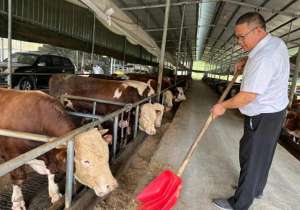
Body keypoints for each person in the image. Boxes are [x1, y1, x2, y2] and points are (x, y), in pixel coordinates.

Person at [210, 12, 289, 210]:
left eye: (241, 37)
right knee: (263, 155)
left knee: (251, 156)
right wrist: (247, 59)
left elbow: (247, 96)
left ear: (259, 30)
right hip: (275, 112)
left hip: (262, 113)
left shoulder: (264, 58)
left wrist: (222, 106)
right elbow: (262, 58)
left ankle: (240, 202)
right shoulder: (275, 43)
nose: (239, 42)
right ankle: (255, 188)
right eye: (237, 37)